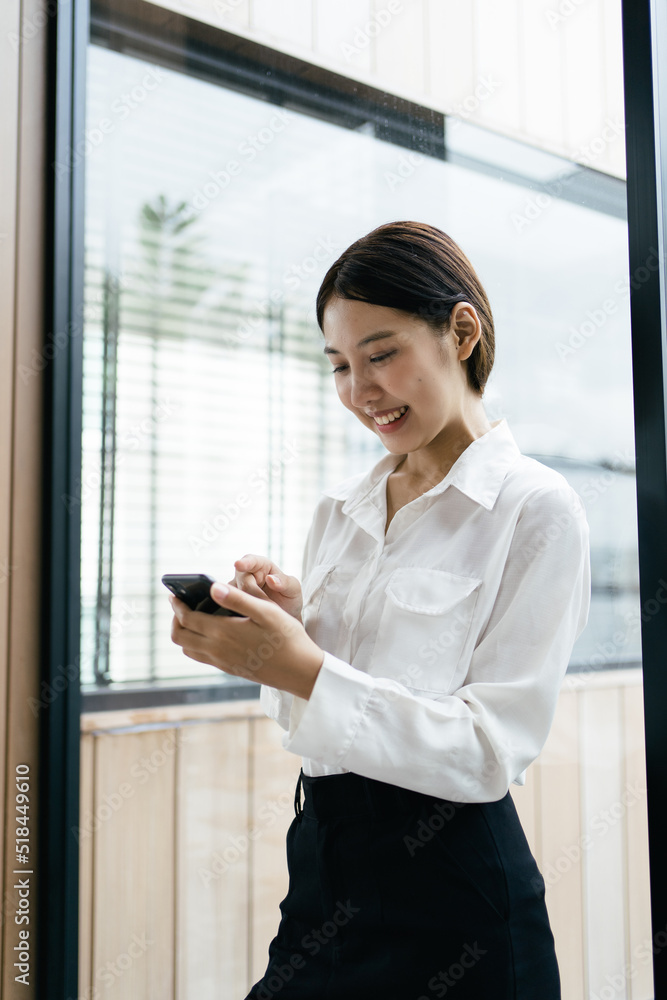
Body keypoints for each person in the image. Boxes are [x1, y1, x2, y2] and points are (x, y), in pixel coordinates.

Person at [168, 220, 591, 999]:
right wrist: (291, 634)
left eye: (381, 354)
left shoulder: (534, 509)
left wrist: (304, 665)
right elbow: (315, 714)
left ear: (459, 332)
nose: (360, 391)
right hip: (325, 865)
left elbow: (490, 750)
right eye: (337, 366)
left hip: (454, 893)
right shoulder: (342, 511)